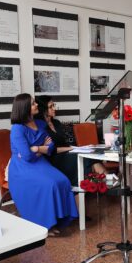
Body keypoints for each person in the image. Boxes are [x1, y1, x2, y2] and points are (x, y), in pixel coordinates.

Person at [8, 93, 78, 235]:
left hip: (40, 163)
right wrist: (41, 149)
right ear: (25, 108)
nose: (36, 105)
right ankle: (45, 225)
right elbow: (27, 156)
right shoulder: (17, 128)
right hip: (22, 168)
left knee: (63, 181)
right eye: (33, 103)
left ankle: (57, 220)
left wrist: (36, 148)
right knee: (49, 184)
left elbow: (51, 147)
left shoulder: (40, 124)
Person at [35, 95, 106, 186]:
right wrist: (71, 149)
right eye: (51, 106)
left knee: (91, 156)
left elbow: (64, 143)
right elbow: (50, 150)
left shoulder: (56, 123)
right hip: (54, 160)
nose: (54, 108)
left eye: (54, 105)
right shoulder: (40, 127)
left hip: (66, 154)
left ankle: (106, 181)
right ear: (43, 109)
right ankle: (107, 181)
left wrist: (78, 148)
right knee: (86, 158)